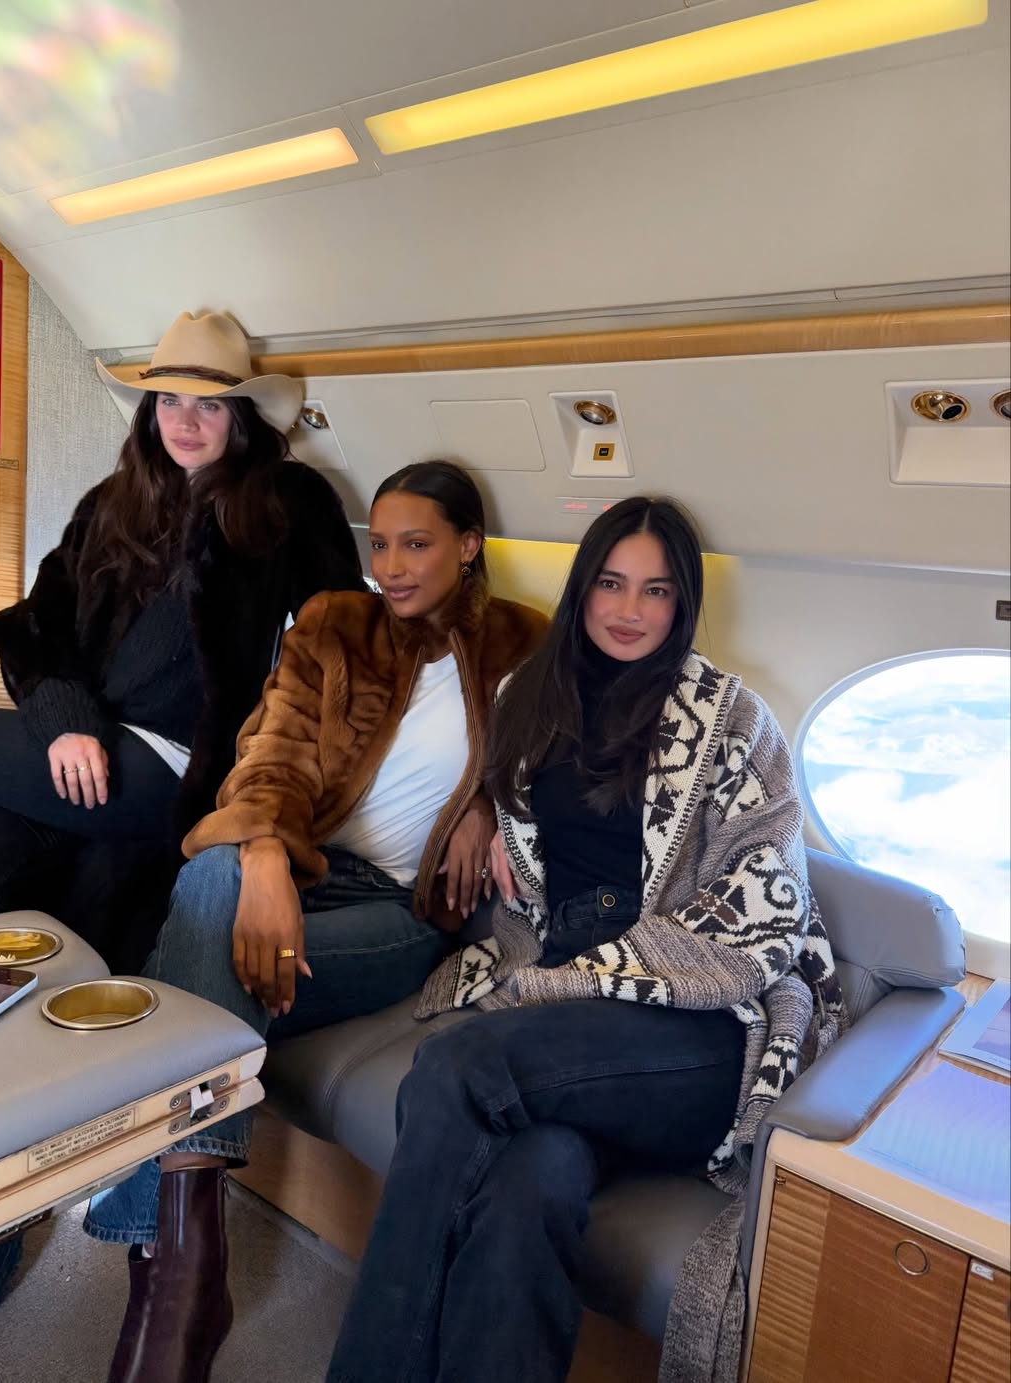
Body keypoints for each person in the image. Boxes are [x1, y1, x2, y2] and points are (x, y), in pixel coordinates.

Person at [324, 496, 847, 1383]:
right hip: (574, 1029)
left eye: (656, 590)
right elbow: (514, 818)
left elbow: (767, 907)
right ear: (583, 589)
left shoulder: (735, 720)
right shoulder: (529, 699)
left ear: (683, 603)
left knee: (454, 1066)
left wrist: (588, 977)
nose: (629, 609)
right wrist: (484, 814)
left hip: (697, 1028)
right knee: (532, 1179)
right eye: (611, 583)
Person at [0, 310, 365, 1324]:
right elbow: (32, 628)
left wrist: (261, 802)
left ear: (242, 416)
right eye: (169, 400)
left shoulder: (286, 505)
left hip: (172, 777)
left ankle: (6, 1211)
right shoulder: (113, 502)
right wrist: (66, 721)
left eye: (207, 404)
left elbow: (333, 662)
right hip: (72, 761)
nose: (184, 420)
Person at [85, 459, 547, 1383]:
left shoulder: (521, 644)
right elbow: (268, 755)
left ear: (468, 546)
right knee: (218, 872)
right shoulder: (335, 623)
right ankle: (187, 1260)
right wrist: (265, 858)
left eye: (417, 544)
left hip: (396, 914)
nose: (392, 566)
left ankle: (168, 1258)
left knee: (196, 949)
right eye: (382, 544)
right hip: (303, 871)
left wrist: (488, 804)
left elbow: (550, 758)